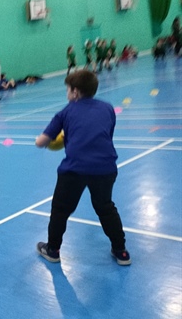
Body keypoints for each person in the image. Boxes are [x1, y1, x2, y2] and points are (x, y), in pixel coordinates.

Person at [35, 70, 130, 266]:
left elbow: (41, 142)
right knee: (105, 207)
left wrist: (56, 138)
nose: (67, 94)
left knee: (60, 209)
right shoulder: (107, 108)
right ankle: (121, 251)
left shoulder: (65, 112)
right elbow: (106, 134)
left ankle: (53, 249)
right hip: (106, 167)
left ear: (75, 92)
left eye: (68, 90)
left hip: (74, 169)